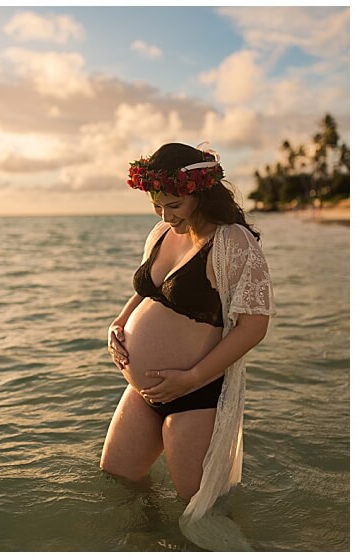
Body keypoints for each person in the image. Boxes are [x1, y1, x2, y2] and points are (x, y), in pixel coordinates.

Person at [99, 142, 274, 550]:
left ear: (201, 191)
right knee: (119, 479)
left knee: (199, 513)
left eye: (174, 204)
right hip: (144, 392)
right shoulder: (163, 232)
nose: (165, 215)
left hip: (196, 393)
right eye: (157, 205)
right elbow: (151, 290)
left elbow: (254, 327)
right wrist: (119, 323)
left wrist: (191, 377)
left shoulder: (233, 242)